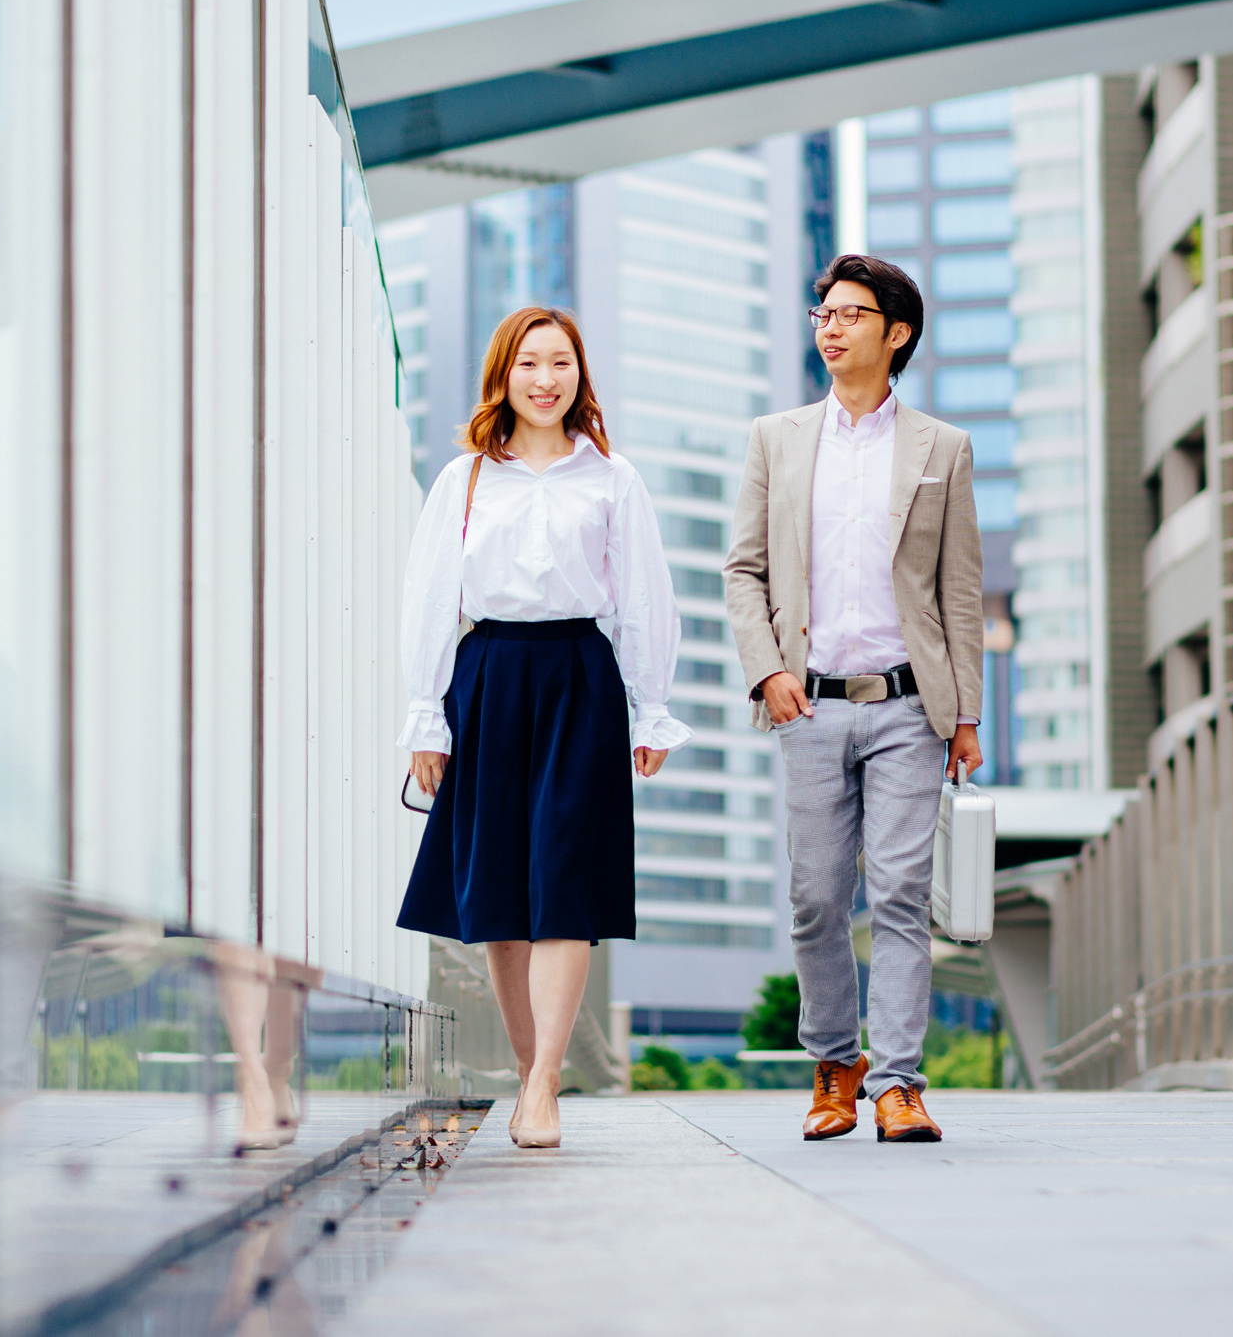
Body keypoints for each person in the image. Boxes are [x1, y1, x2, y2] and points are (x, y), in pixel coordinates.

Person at [397, 306, 691, 1149]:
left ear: (579, 376)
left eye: (560, 363)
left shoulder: (612, 479)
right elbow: (428, 600)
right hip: (485, 678)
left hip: (580, 681)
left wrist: (651, 708)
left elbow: (642, 598)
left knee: (567, 882)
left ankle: (543, 1084)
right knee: (499, 899)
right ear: (504, 373)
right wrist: (427, 717)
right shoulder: (464, 481)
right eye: (530, 363)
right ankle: (534, 1074)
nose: (545, 379)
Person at [722, 254, 983, 1144]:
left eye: (849, 313)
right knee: (817, 897)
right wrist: (769, 670)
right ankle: (836, 1065)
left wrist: (967, 717)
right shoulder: (778, 438)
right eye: (821, 313)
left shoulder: (942, 449)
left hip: (912, 705)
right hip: (809, 703)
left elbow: (959, 592)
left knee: (904, 895)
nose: (829, 326)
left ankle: (900, 1083)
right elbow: (744, 570)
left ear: (895, 332)